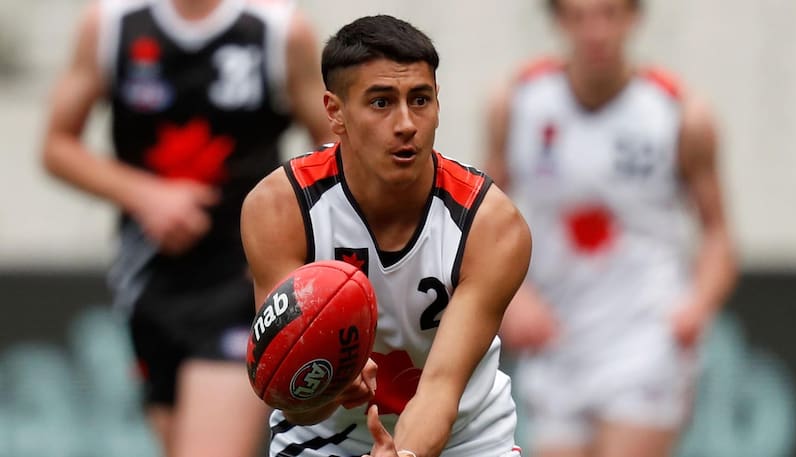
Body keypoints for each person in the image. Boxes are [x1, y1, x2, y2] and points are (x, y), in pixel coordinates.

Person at [41, 0, 333, 456]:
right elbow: (57, 145)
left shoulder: (278, 30)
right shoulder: (112, 24)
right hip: (149, 280)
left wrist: (293, 236)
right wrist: (144, 194)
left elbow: (334, 142)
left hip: (240, 281)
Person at [241, 14, 531, 457]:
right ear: (335, 113)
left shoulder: (491, 225)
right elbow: (289, 394)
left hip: (466, 440)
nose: (406, 124)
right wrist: (330, 388)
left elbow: (440, 389)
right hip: (325, 441)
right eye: (381, 102)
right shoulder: (279, 208)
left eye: (420, 100)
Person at [486, 1, 737, 457]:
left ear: (633, 18)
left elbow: (719, 235)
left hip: (645, 335)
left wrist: (697, 306)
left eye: (608, 15)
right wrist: (514, 300)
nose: (595, 31)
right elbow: (480, 219)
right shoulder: (520, 101)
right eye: (579, 17)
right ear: (559, 21)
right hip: (557, 340)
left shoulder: (679, 112)